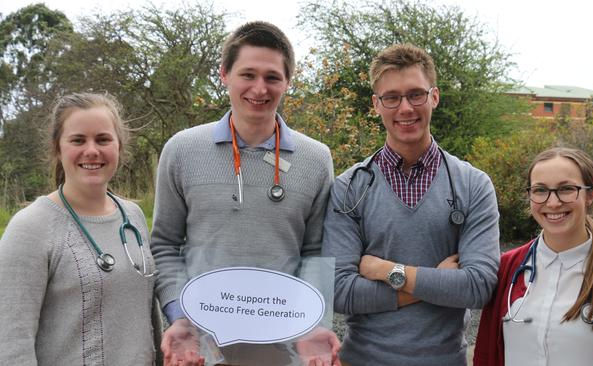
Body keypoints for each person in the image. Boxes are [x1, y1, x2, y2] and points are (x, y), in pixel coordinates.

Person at [151, 21, 340, 366]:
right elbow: (164, 244)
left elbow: (315, 251)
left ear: (287, 82)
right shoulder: (181, 150)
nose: (259, 88)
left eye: (272, 77)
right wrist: (181, 315)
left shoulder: (317, 159)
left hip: (284, 349)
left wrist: (313, 323)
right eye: (247, 74)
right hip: (201, 349)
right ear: (224, 74)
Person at [322, 43, 500, 365]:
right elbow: (340, 292)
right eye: (392, 97)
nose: (405, 108)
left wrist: (386, 270)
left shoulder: (473, 185)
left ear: (434, 96)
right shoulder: (350, 188)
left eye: (415, 94)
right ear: (376, 105)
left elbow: (478, 286)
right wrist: (431, 281)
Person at [0, 92, 158, 365]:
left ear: (119, 146)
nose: (92, 150)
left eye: (103, 139)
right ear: (58, 148)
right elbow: (10, 343)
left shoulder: (132, 216)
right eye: (78, 140)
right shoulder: (31, 227)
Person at [473, 147, 593, 366]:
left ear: (591, 196)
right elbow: (485, 355)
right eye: (540, 190)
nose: (553, 202)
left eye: (566, 189)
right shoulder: (506, 268)